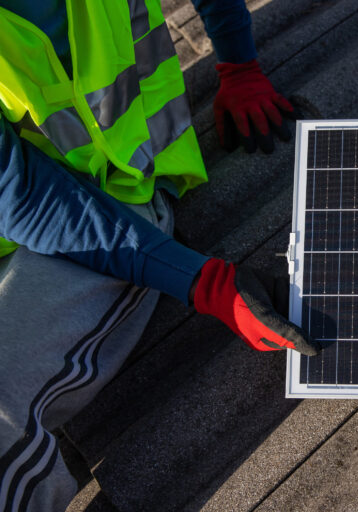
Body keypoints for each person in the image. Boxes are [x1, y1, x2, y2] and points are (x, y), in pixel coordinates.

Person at [0, 1, 319, 510]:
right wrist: (206, 283)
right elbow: (23, 198)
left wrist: (239, 65)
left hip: (114, 207)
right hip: (42, 218)